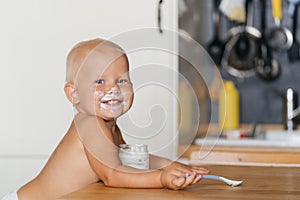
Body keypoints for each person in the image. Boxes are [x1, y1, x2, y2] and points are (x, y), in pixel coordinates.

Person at [2, 38, 209, 200]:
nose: (113, 89)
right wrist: (162, 177)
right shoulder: (89, 124)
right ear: (74, 94)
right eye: (99, 81)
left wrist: (173, 166)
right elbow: (114, 174)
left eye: (122, 80)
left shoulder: (109, 128)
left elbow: (132, 160)